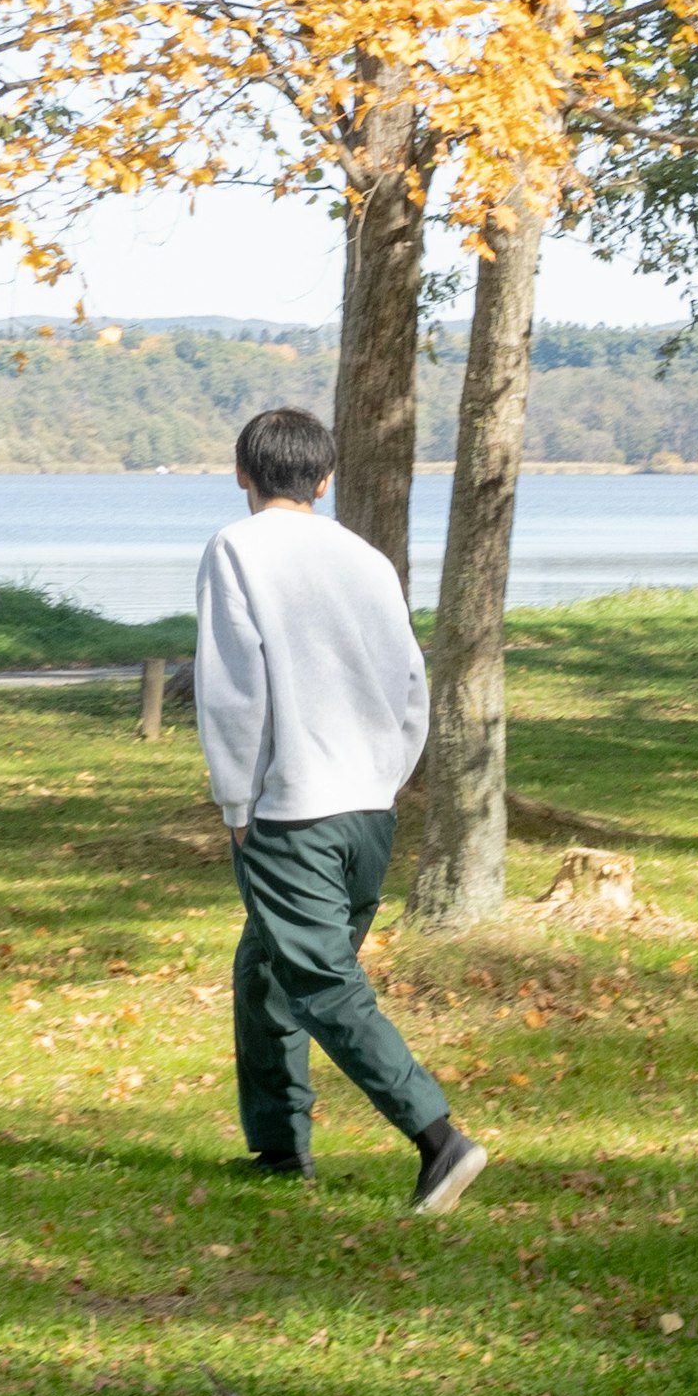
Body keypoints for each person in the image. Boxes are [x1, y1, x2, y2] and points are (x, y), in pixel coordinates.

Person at [194, 406, 489, 1215]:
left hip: (293, 809)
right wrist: (387, 776)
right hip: (368, 808)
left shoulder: (235, 547)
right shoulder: (369, 560)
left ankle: (439, 1139)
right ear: (324, 481)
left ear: (244, 474)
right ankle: (280, 1148)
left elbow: (232, 687)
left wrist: (236, 800)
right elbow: (411, 684)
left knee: (320, 981)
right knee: (266, 971)